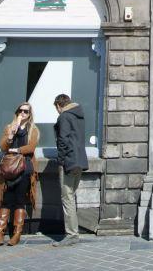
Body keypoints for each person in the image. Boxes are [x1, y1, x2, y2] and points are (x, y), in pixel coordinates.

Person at [0, 102, 39, 246]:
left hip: (25, 169)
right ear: (17, 112)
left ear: (30, 114)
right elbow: (3, 146)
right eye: (20, 111)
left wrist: (16, 150)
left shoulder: (33, 129)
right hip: (8, 169)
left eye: (26, 111)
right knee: (6, 200)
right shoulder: (9, 127)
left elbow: (31, 147)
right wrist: (12, 133)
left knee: (19, 200)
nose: (23, 113)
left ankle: (17, 234)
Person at [53, 93, 88, 247]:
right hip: (79, 161)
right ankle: (73, 233)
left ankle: (72, 234)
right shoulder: (78, 116)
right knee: (71, 196)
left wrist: (60, 161)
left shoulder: (65, 117)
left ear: (59, 106)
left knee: (67, 198)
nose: (57, 112)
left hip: (69, 162)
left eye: (56, 109)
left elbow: (63, 140)